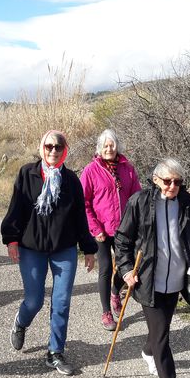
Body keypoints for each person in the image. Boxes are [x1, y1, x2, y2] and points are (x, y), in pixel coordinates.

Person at [114, 158, 190, 378]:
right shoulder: (139, 202)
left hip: (175, 279)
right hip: (148, 279)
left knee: (160, 329)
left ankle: (148, 352)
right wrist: (127, 270)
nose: (173, 186)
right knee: (162, 332)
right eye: (168, 181)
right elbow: (122, 240)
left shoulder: (188, 203)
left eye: (178, 182)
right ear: (155, 180)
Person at [1, 130, 97, 376]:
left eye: (58, 147)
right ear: (41, 148)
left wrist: (88, 248)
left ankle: (55, 352)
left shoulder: (71, 180)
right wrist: (11, 239)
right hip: (31, 248)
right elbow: (16, 208)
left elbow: (80, 217)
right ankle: (21, 322)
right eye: (49, 146)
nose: (53, 151)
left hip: (64, 249)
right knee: (34, 301)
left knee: (61, 301)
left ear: (65, 150)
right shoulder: (27, 173)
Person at [80, 129, 141, 331]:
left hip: (124, 229)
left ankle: (115, 292)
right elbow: (83, 202)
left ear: (117, 146)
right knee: (105, 268)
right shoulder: (91, 170)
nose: (109, 149)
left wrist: (137, 223)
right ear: (100, 148)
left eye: (112, 145)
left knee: (127, 266)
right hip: (101, 230)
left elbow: (136, 198)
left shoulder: (128, 169)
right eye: (105, 146)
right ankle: (106, 312)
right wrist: (94, 227)